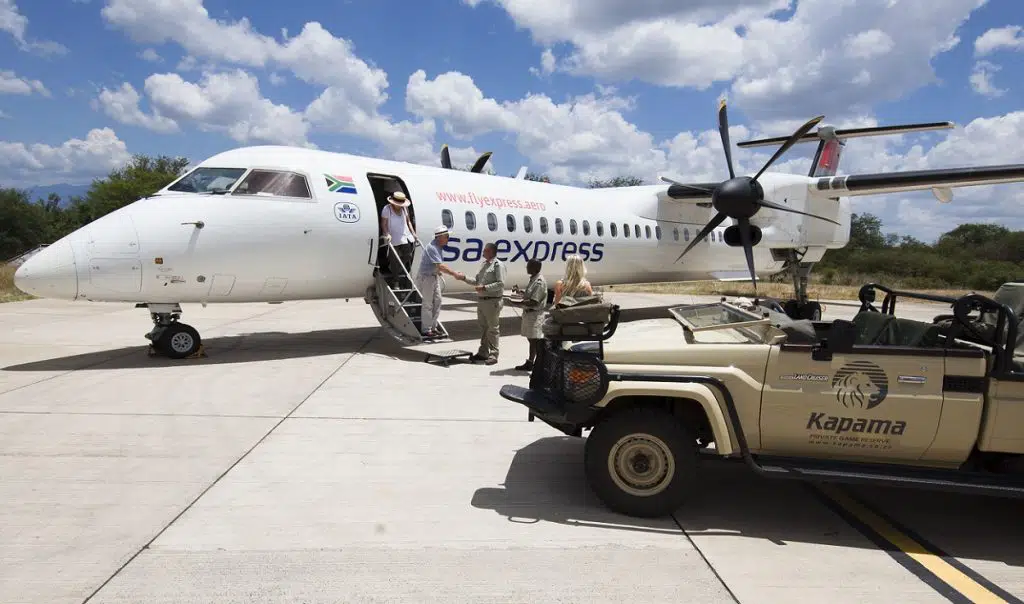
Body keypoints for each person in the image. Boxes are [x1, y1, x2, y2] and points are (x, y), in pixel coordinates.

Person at [458, 242, 506, 365]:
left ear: (490, 251)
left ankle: (494, 354)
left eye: (485, 250)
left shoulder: (498, 265)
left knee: (493, 329)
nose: (482, 252)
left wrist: (485, 288)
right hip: (482, 301)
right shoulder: (484, 265)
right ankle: (483, 352)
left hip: (492, 301)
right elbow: (477, 281)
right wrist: (464, 278)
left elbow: (501, 284)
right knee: (484, 328)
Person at [415, 226, 463, 339]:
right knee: (427, 303)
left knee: (438, 301)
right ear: (439, 237)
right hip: (426, 278)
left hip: (433, 276)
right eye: (446, 236)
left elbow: (436, 265)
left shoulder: (439, 247)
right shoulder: (432, 247)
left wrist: (438, 272)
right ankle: (426, 330)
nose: (448, 238)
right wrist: (454, 274)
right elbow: (440, 265)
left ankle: (433, 327)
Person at [507, 258, 547, 371]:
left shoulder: (539, 282)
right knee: (532, 339)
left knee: (535, 340)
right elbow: (530, 295)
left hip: (534, 315)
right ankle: (533, 362)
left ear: (535, 268)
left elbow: (534, 301)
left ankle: (537, 364)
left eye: (529, 266)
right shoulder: (534, 280)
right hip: (529, 314)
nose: (527, 268)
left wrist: (515, 302)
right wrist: (520, 292)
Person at [379, 191, 417, 287]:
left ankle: (394, 270)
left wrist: (413, 233)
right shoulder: (387, 209)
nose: (399, 205)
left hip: (405, 235)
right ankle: (396, 281)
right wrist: (386, 234)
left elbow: (408, 222)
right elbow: (383, 224)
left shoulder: (404, 209)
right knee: (394, 259)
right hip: (392, 236)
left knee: (408, 255)